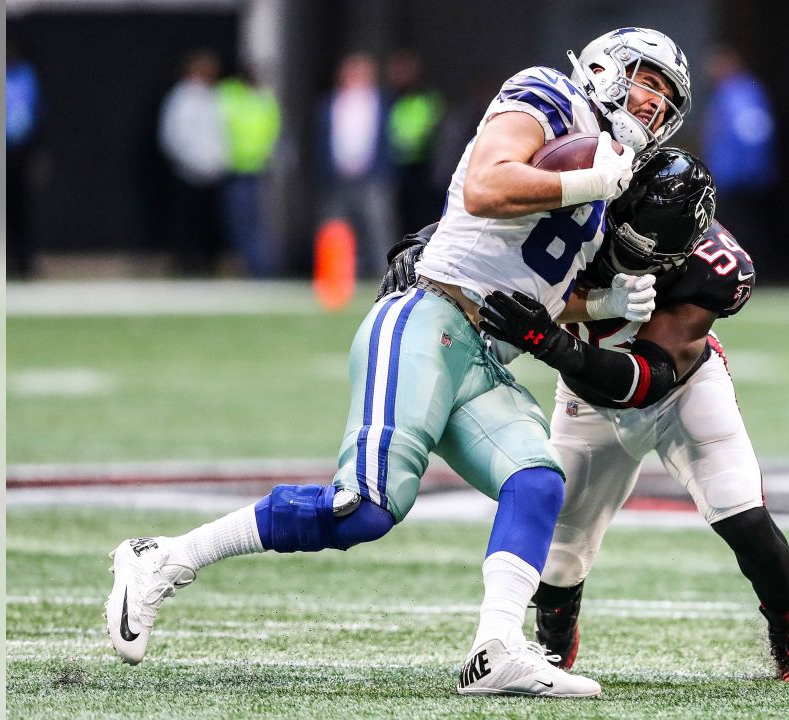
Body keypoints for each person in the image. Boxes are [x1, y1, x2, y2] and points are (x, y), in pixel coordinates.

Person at [105, 27, 693, 699]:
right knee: (365, 510)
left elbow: (535, 291)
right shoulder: (552, 95)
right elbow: (485, 187)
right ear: (606, 66)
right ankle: (163, 558)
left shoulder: (609, 178)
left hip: (482, 354)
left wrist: (602, 301)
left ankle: (496, 647)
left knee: (537, 479)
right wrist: (589, 180)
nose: (653, 102)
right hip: (427, 319)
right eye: (647, 80)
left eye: (667, 96)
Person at [390, 148, 789, 683]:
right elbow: (495, 222)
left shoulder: (713, 269)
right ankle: (553, 640)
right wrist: (429, 245)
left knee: (742, 514)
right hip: (585, 400)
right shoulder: (590, 201)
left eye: (644, 252)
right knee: (559, 554)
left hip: (681, 392)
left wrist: (550, 342)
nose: (623, 254)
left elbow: (647, 379)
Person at [315, 53, 398, 279]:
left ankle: (385, 276)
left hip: (372, 176)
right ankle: (336, 276)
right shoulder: (331, 102)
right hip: (338, 177)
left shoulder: (381, 102)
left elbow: (388, 140)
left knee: (377, 227)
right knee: (336, 228)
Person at [701, 46, 776, 267]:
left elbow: (751, 133)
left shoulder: (739, 92)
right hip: (740, 173)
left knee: (739, 226)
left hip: (738, 174)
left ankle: (742, 267)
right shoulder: (735, 91)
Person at [159, 49, 226, 276]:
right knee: (187, 221)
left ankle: (207, 263)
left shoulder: (214, 97)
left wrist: (217, 160)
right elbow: (174, 135)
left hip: (211, 171)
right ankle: (185, 264)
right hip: (188, 171)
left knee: (208, 222)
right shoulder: (182, 98)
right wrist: (188, 161)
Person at [217, 65, 281, 277]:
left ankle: (258, 267)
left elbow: (272, 131)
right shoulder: (230, 94)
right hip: (233, 167)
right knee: (240, 221)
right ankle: (249, 265)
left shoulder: (263, 99)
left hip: (255, 169)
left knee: (253, 221)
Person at [386, 49, 446, 233]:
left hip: (423, 169)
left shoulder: (427, 97)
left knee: (421, 218)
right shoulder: (390, 99)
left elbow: (433, 130)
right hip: (397, 170)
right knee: (398, 219)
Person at [6, 42, 41, 279]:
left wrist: (36, 154)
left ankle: (24, 263)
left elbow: (35, 115)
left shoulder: (26, 78)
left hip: (20, 154)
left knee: (21, 212)